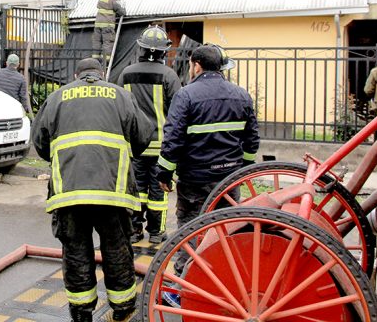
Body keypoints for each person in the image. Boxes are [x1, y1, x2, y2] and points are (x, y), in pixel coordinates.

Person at [31, 58, 154, 322]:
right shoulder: (121, 96)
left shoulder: (57, 98)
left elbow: (40, 143)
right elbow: (143, 136)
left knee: (76, 250)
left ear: (76, 76)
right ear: (101, 74)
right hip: (112, 191)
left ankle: (81, 311)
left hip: (69, 192)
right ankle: (122, 307)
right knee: (116, 247)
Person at [155, 45, 259, 307]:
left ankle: (183, 290)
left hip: (195, 179)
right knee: (226, 230)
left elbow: (173, 139)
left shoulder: (186, 95)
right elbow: (251, 141)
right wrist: (242, 170)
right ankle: (224, 282)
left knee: (191, 230)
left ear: (196, 65)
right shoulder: (241, 95)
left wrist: (164, 172)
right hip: (229, 181)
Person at [118, 26, 181, 245]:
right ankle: (156, 233)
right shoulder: (169, 75)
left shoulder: (125, 74)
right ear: (163, 51)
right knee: (158, 192)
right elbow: (177, 112)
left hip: (134, 146)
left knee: (135, 190)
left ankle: (134, 231)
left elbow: (119, 107)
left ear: (141, 49)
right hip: (160, 147)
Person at [92, 0, 125, 68]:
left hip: (97, 25)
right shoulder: (113, 1)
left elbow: (99, 6)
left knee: (97, 41)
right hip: (107, 26)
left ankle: (95, 60)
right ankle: (104, 62)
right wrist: (122, 8)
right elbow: (122, 12)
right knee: (107, 43)